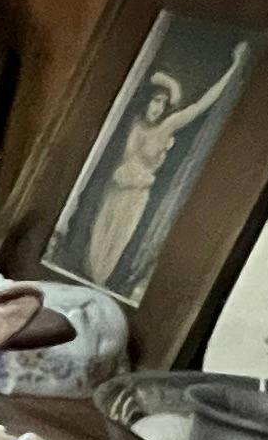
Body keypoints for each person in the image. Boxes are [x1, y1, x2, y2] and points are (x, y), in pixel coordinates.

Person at [59, 47, 241, 295]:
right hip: (113, 192)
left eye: (163, 104)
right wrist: (163, 81)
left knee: (112, 252)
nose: (157, 108)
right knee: (94, 246)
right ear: (147, 100)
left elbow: (202, 105)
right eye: (155, 100)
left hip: (135, 197)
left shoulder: (167, 127)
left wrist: (235, 66)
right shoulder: (131, 122)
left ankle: (95, 293)